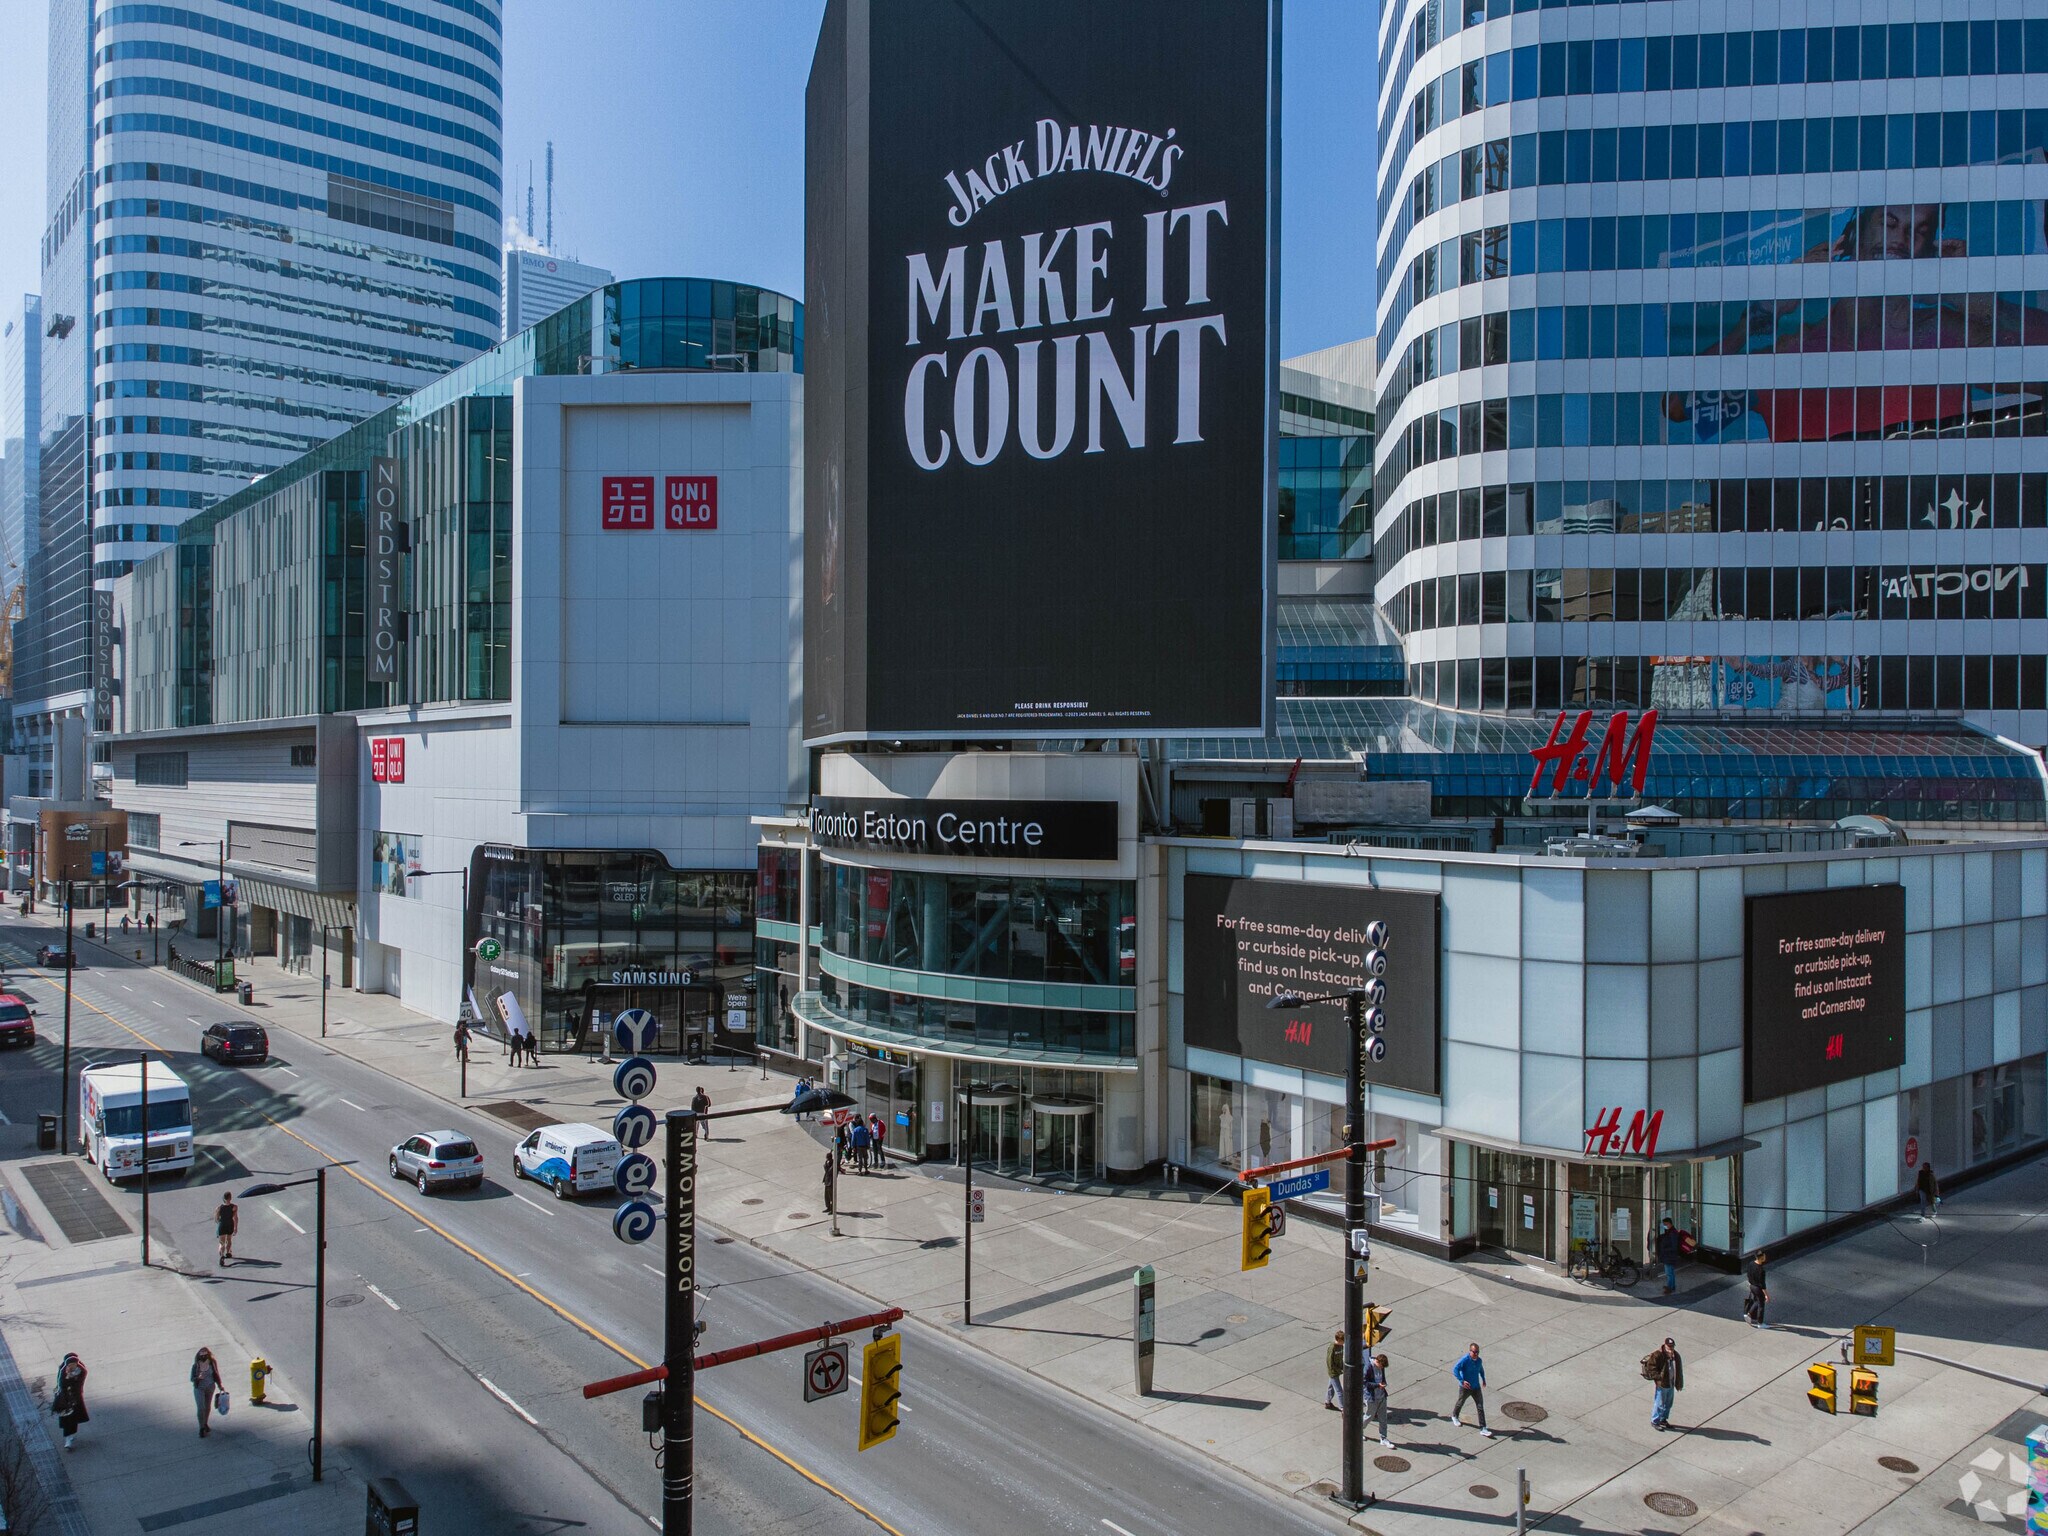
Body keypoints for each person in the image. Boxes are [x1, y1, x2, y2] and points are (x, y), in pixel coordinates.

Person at [1450, 1342, 1492, 1436]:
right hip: (1466, 1387)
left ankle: (1483, 1428)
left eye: (1477, 1352)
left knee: (1480, 1406)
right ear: (1470, 1351)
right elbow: (1455, 1369)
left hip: (1476, 1387)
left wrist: (1483, 1379)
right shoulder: (1465, 1360)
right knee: (1461, 1402)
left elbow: (1481, 1369)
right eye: (1474, 1352)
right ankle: (1454, 1415)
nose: (1476, 1354)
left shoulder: (1479, 1360)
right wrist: (1462, 1380)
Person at [1645, 1336, 1684, 1430]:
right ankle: (1655, 1421)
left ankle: (1663, 1419)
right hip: (1662, 1384)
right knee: (1659, 1403)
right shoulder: (1658, 1355)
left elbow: (1679, 1370)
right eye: (1669, 1347)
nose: (1671, 1349)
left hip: (1671, 1383)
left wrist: (1679, 1383)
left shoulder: (1676, 1356)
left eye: (1672, 1346)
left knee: (1668, 1404)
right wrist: (1658, 1378)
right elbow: (1651, 1367)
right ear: (1665, 1345)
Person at [51, 1352, 88, 1450]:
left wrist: (72, 1377)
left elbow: (79, 1384)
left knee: (72, 1418)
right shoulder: (63, 1371)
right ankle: (68, 1437)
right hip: (65, 1399)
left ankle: (69, 1436)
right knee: (67, 1418)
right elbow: (61, 1384)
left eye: (73, 1365)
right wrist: (68, 1377)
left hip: (75, 1399)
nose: (71, 1366)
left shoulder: (81, 1370)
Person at [191, 1348, 222, 1438]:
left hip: (210, 1387)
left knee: (207, 1407)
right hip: (199, 1388)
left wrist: (220, 1385)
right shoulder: (196, 1366)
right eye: (202, 1355)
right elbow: (192, 1378)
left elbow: (216, 1374)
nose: (204, 1357)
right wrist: (198, 1378)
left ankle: (205, 1423)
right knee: (201, 1407)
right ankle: (201, 1428)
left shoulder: (212, 1363)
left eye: (206, 1355)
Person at [1366, 1352, 1393, 1447]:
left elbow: (1383, 1378)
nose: (1381, 1368)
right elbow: (1365, 1383)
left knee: (1383, 1418)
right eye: (1381, 1366)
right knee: (1369, 1416)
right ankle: (1358, 1431)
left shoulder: (1382, 1368)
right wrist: (1377, 1385)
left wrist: (1383, 1383)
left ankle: (1383, 1438)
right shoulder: (1369, 1368)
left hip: (1382, 1396)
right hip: (1372, 1397)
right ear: (1377, 1361)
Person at [1656, 1217, 1684, 1295]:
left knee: (1669, 1273)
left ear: (1670, 1223)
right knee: (1670, 1272)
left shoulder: (1672, 1233)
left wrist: (1664, 1250)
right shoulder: (1670, 1232)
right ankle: (1672, 1286)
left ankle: (1670, 1288)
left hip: (1669, 1256)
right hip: (1669, 1255)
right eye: (1664, 1224)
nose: (1665, 1226)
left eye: (1666, 1224)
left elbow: (1674, 1246)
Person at [1744, 1249, 1769, 1329]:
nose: (1765, 1257)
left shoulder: (1751, 1264)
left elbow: (1748, 1274)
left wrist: (1750, 1283)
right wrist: (1766, 1295)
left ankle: (1749, 1314)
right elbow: (1762, 1285)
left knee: (1756, 1301)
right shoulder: (1761, 1270)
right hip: (1758, 1288)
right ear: (1761, 1258)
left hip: (1751, 1286)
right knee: (1761, 1304)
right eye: (1764, 1256)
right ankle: (1760, 1323)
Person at [1323, 1328, 1345, 1411]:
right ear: (1338, 1340)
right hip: (1333, 1372)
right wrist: (1337, 1370)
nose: (1344, 1342)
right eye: (1343, 1340)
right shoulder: (1332, 1348)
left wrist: (1342, 1368)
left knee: (1331, 1387)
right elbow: (1329, 1361)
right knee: (1339, 1391)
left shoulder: (1341, 1346)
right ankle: (1343, 1408)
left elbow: (1340, 1358)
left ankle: (1327, 1402)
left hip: (1338, 1370)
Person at [215, 1192, 238, 1266]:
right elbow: (235, 1218)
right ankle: (228, 1253)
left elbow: (216, 1219)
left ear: (223, 1199)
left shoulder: (219, 1208)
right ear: (230, 1198)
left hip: (222, 1225)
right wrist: (235, 1227)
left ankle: (222, 1256)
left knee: (221, 1243)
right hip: (230, 1224)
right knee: (229, 1240)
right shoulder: (234, 1207)